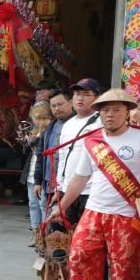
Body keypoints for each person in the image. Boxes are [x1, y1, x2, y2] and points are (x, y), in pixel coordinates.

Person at [48, 89, 140, 280]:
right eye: (105, 110)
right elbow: (80, 178)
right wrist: (60, 207)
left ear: (128, 112)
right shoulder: (92, 140)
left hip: (128, 216)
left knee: (124, 270)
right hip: (93, 212)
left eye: (116, 110)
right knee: (81, 259)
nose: (110, 115)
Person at [55, 79, 102, 224]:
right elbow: (62, 157)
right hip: (68, 191)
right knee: (63, 237)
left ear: (97, 98)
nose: (80, 98)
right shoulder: (68, 124)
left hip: (91, 192)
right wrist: (59, 187)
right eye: (77, 94)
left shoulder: (101, 123)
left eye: (86, 94)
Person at [33, 90, 74, 213]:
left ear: (70, 102)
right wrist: (38, 182)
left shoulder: (77, 124)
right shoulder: (50, 128)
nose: (56, 109)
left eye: (60, 104)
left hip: (68, 187)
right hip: (48, 183)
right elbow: (40, 156)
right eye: (53, 106)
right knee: (49, 222)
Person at [20, 102, 53, 247]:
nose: (32, 119)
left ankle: (45, 234)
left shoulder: (51, 130)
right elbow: (29, 153)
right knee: (33, 203)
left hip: (44, 173)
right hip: (32, 171)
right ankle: (35, 232)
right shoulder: (34, 130)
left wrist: (36, 141)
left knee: (43, 204)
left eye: (34, 116)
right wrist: (27, 142)